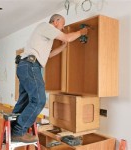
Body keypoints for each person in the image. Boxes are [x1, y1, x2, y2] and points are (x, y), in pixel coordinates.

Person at [11, 14, 88, 143]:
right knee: (39, 100)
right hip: (30, 66)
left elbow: (48, 56)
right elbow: (67, 38)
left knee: (24, 101)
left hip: (26, 66)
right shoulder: (45, 26)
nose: (62, 28)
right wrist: (81, 32)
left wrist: (62, 47)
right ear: (56, 21)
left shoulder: (44, 36)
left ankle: (11, 129)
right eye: (62, 24)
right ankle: (18, 132)